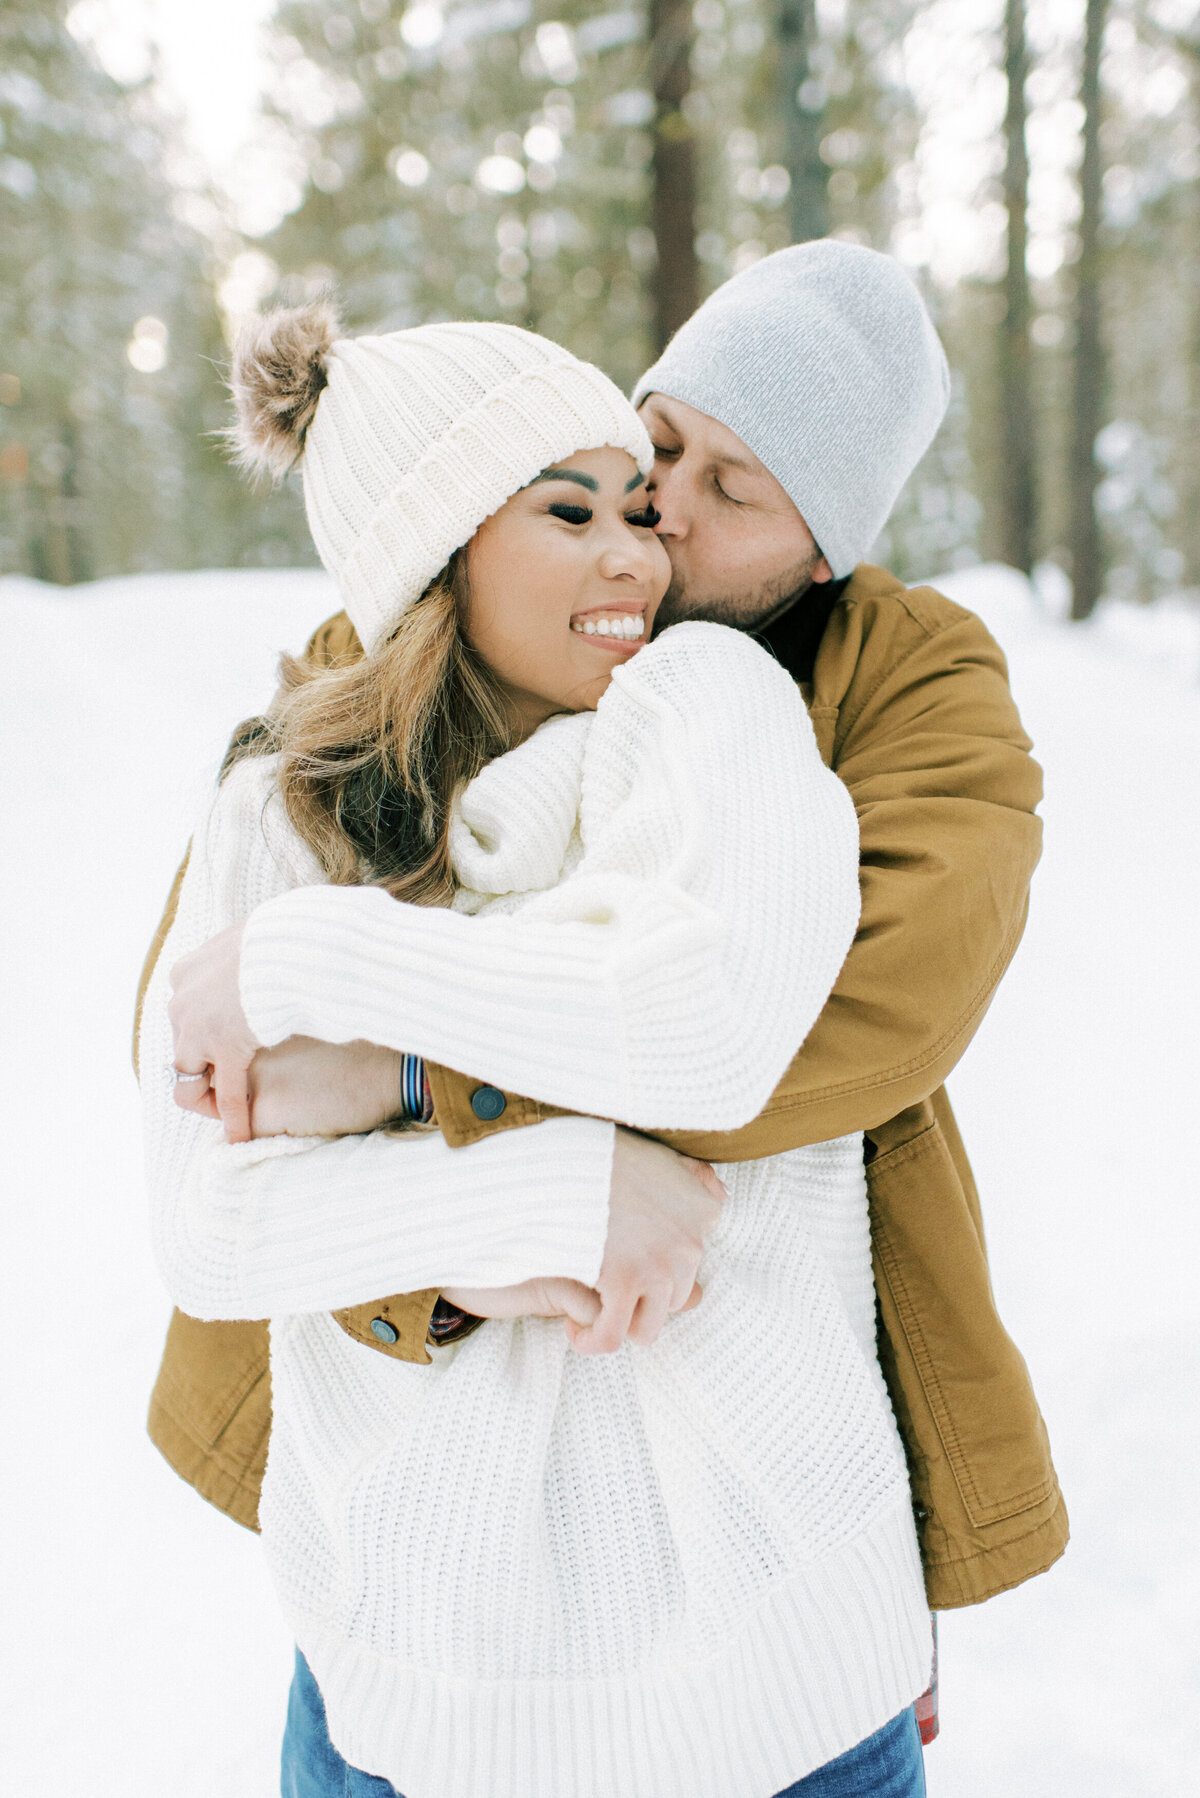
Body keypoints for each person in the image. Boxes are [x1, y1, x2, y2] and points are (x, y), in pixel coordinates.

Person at [140, 243, 1063, 1677]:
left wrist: (393, 1068)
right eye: (659, 448)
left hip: (758, 1539)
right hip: (412, 1602)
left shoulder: (898, 681)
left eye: (726, 491)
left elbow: (843, 1012)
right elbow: (212, 1041)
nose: (659, 525)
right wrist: (495, 1225)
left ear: (823, 549)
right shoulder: (423, 596)